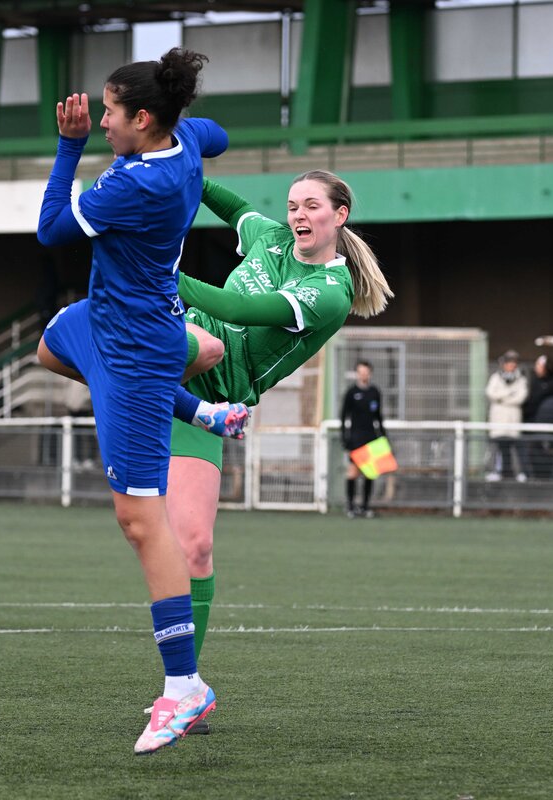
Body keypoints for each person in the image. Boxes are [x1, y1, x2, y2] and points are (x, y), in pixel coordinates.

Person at [33, 48, 228, 754]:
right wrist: (188, 136)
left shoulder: (137, 183)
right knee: (48, 348)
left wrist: (68, 147)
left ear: (143, 119)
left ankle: (184, 685)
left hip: (137, 349)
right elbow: (215, 135)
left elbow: (51, 230)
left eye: (110, 113)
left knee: (141, 521)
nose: (101, 122)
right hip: (105, 323)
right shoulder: (185, 142)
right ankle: (193, 406)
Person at [161, 170, 392, 720]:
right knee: (63, 344)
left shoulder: (330, 292)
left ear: (339, 215)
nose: (297, 215)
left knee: (195, 548)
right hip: (178, 352)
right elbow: (227, 201)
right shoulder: (271, 236)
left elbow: (240, 311)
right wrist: (181, 160)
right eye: (292, 206)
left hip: (209, 403)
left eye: (311, 205)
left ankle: (183, 687)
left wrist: (161, 275)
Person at [340, 359, 387, 518]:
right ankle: (350, 506)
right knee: (353, 473)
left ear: (370, 373)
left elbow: (378, 416)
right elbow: (343, 416)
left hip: (371, 438)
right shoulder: (351, 392)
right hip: (355, 438)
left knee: (369, 473)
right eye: (360, 372)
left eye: (366, 372)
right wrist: (345, 437)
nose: (363, 375)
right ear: (357, 374)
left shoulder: (374, 392)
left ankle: (365, 506)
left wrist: (383, 436)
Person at [485, 350, 529, 482]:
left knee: (516, 447)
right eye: (509, 363)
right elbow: (490, 393)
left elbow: (520, 398)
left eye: (513, 363)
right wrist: (509, 393)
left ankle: (521, 472)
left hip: (513, 420)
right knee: (499, 448)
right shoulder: (495, 377)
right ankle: (499, 471)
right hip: (498, 420)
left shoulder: (521, 379)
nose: (511, 366)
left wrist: (501, 398)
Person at [524, 355, 553, 478]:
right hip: (534, 430)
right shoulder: (536, 384)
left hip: (548, 432)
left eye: (539, 365)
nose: (536, 368)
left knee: (546, 458)